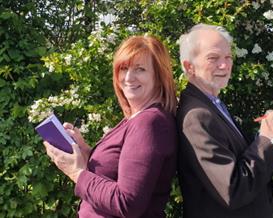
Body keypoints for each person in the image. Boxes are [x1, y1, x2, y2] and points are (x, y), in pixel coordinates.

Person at [44, 35, 178, 217]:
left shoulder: (149, 123)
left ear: (158, 76)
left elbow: (126, 203)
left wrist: (76, 173)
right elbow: (117, 173)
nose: (129, 78)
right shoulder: (134, 119)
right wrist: (85, 152)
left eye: (140, 69)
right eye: (123, 68)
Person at [176, 23, 273, 218]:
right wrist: (265, 140)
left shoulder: (213, 104)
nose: (224, 65)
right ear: (189, 67)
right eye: (213, 58)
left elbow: (239, 160)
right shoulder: (196, 116)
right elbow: (233, 189)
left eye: (228, 57)